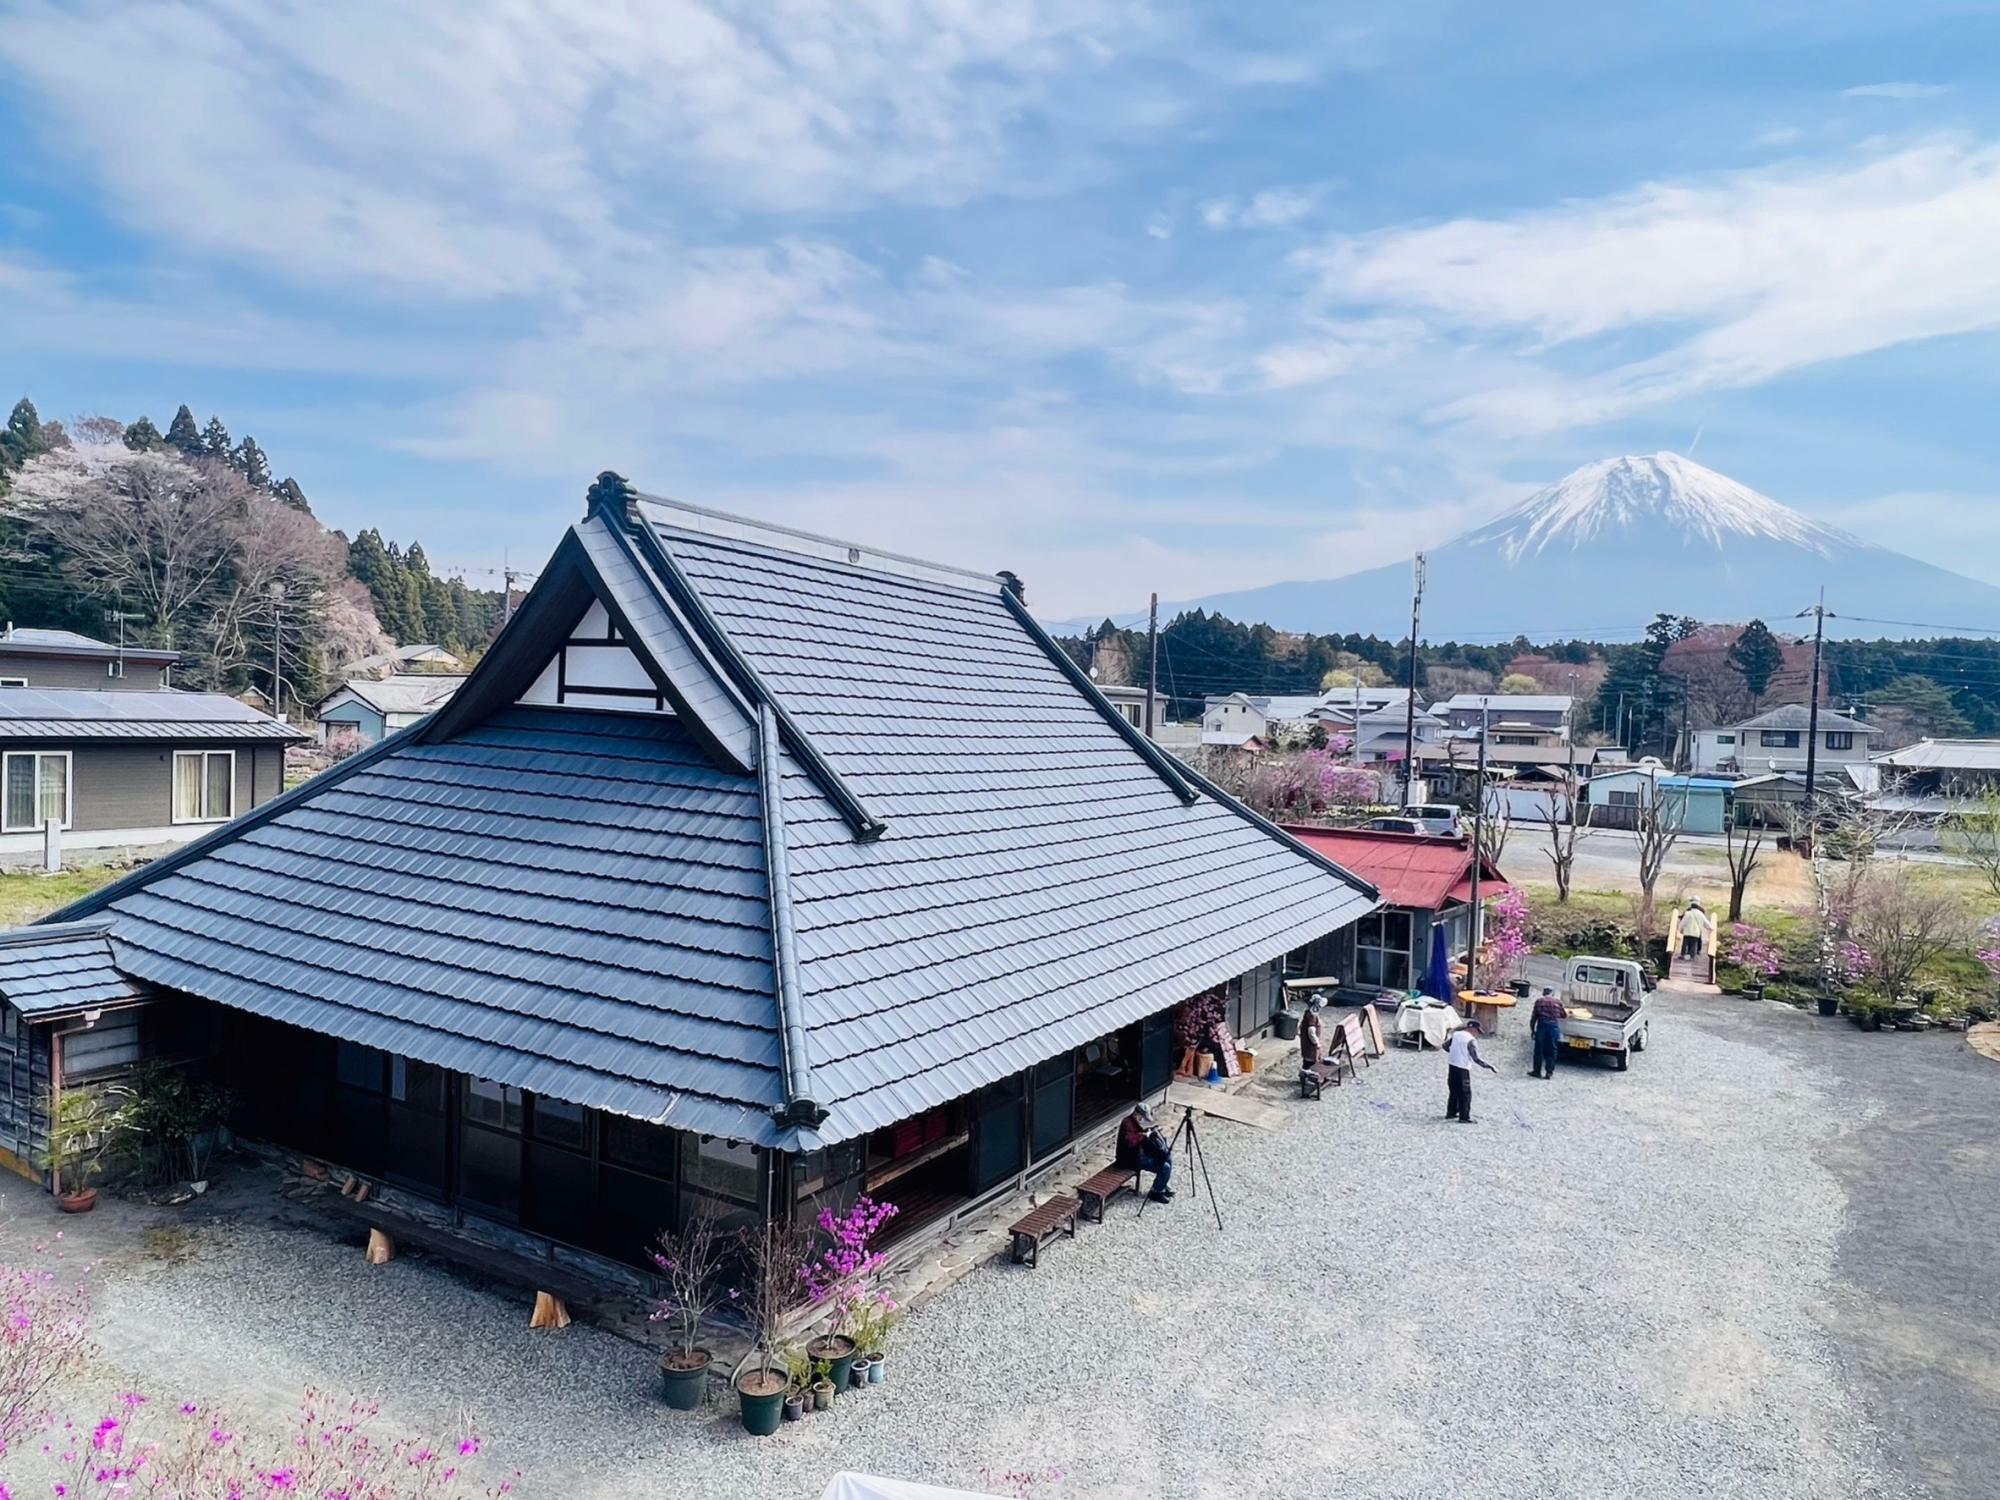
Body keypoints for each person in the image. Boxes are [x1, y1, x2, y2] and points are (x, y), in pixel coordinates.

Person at [1118, 1103, 1174, 1201]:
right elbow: (1130, 1141)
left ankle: (1161, 1185)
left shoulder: (1138, 1121)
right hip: (1131, 1158)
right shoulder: (1127, 1123)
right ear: (1136, 1114)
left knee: (1167, 1158)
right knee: (1165, 1167)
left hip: (1141, 1152)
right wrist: (1143, 1135)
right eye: (1142, 1117)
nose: (1143, 1119)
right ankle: (1156, 1192)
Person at [1444, 1020, 1496, 1123]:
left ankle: (1451, 1112)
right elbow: (1476, 1058)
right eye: (1477, 1031)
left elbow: (1445, 1046)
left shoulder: (1456, 1035)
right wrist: (1489, 1066)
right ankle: (1464, 1117)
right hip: (1463, 1068)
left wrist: (1455, 1052)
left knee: (1453, 1091)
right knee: (1465, 1094)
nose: (1477, 1034)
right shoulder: (1470, 1040)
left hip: (1452, 1065)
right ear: (1472, 1029)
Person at [1529, 985, 1567, 1079]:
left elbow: (1534, 1017)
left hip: (1542, 1026)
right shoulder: (1558, 1002)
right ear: (1552, 993)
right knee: (1552, 1050)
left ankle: (1537, 1071)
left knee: (1539, 1050)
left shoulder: (1539, 1001)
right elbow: (1563, 1015)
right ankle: (1549, 1073)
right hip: (1553, 1026)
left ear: (1543, 993)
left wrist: (1533, 1030)